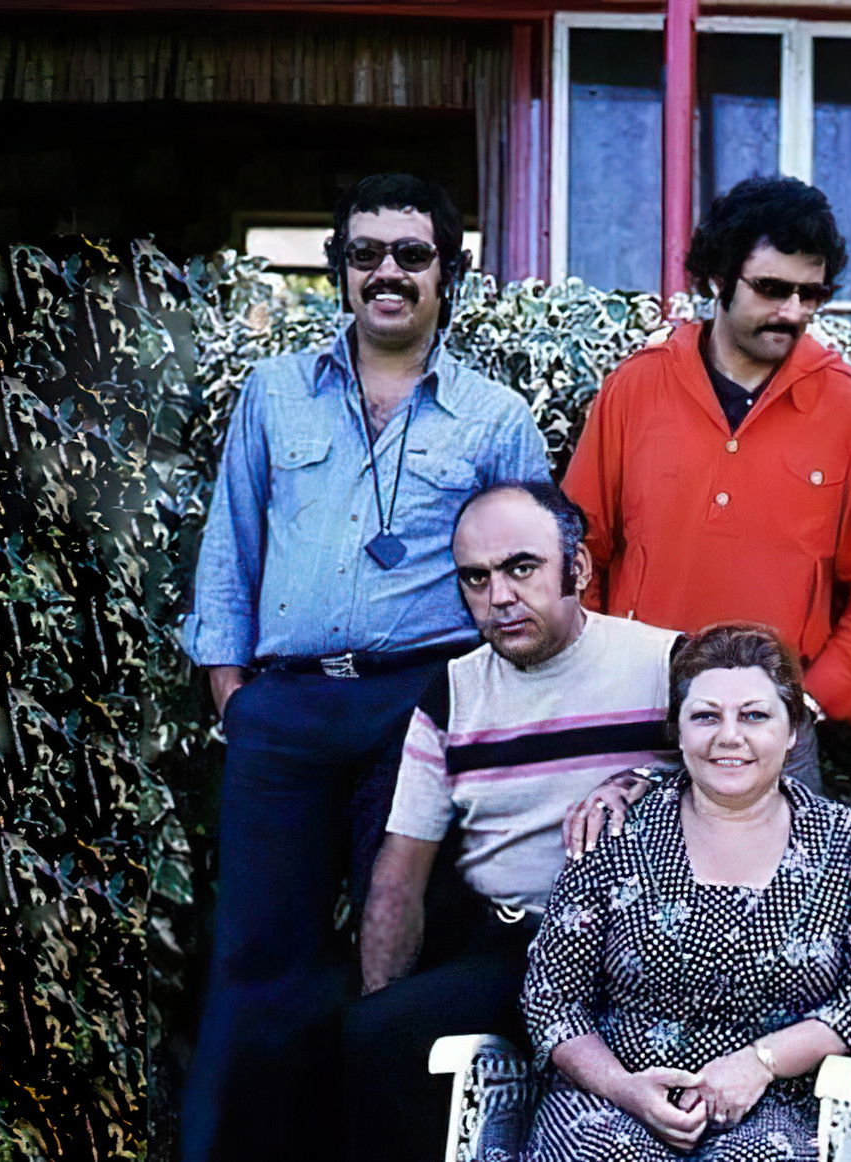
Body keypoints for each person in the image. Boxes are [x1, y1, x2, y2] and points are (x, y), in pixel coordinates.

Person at [180, 173, 550, 1162]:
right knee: (258, 959)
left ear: (448, 272)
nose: (388, 272)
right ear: (339, 268)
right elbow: (230, 544)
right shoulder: (273, 394)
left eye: (411, 254)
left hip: (416, 709)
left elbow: (530, 575)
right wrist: (234, 695)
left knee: (401, 950)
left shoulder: (494, 418)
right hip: (285, 709)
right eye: (365, 253)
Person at [343, 482, 680, 1162]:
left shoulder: (665, 663)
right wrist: (382, 1002)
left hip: (647, 951)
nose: (498, 596)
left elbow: (766, 779)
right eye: (476, 578)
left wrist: (649, 779)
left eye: (521, 568)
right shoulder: (454, 690)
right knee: (373, 1035)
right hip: (516, 949)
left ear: (576, 569)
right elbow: (400, 873)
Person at [560, 176, 851, 787]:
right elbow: (580, 550)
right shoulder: (636, 388)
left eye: (811, 294)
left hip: (774, 733)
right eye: (772, 289)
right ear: (718, 277)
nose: (793, 312)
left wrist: (811, 700)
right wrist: (595, 678)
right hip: (641, 714)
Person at [520, 623, 851, 1161]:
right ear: (678, 731)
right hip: (610, 1101)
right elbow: (552, 998)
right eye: (706, 716)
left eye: (754, 716)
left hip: (772, 1106)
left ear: (792, 730)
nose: (729, 736)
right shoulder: (617, 829)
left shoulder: (847, 840)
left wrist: (761, 1062)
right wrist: (623, 1089)